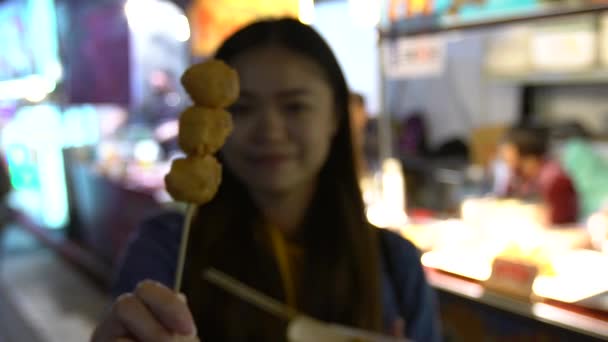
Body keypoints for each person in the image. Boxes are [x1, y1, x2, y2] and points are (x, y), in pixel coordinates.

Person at [92, 18, 441, 342]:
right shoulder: (165, 248)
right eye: (242, 109)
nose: (270, 131)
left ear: (335, 116)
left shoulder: (395, 264)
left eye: (294, 107)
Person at [498, 125, 578, 225]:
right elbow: (505, 201)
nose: (502, 156)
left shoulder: (555, 179)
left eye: (507, 150)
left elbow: (559, 219)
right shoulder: (517, 174)